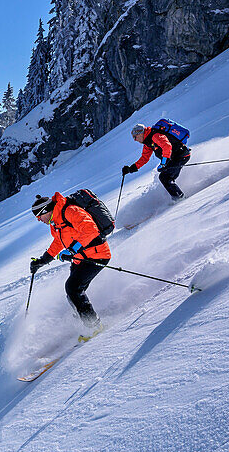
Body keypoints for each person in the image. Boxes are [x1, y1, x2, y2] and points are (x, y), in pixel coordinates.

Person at [29, 193, 111, 334]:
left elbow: (91, 230)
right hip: (81, 258)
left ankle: (94, 327)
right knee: (73, 293)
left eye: (39, 216)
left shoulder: (70, 211)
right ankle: (84, 319)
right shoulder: (56, 222)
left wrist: (72, 250)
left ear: (46, 211)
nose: (38, 220)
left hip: (97, 255)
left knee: (73, 288)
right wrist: (43, 260)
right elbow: (58, 242)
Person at [121, 120, 192, 200]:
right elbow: (144, 158)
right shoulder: (148, 142)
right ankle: (178, 197)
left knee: (165, 178)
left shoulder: (155, 135)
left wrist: (163, 163)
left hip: (181, 156)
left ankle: (180, 199)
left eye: (135, 137)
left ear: (140, 133)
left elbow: (167, 146)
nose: (135, 140)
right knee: (166, 178)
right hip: (175, 158)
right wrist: (131, 168)